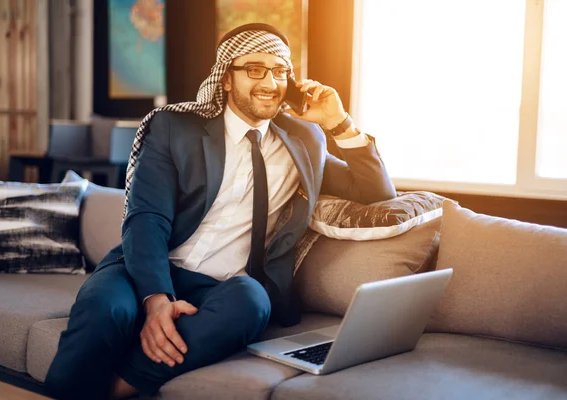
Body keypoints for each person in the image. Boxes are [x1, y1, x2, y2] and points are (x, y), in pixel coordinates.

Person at [45, 23, 396, 399]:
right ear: (226, 79)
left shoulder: (304, 140)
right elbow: (148, 218)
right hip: (143, 269)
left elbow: (377, 193)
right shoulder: (173, 128)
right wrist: (157, 301)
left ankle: (116, 388)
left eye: (280, 71)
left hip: (223, 289)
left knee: (252, 300)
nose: (270, 81)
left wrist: (338, 123)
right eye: (255, 69)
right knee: (107, 310)